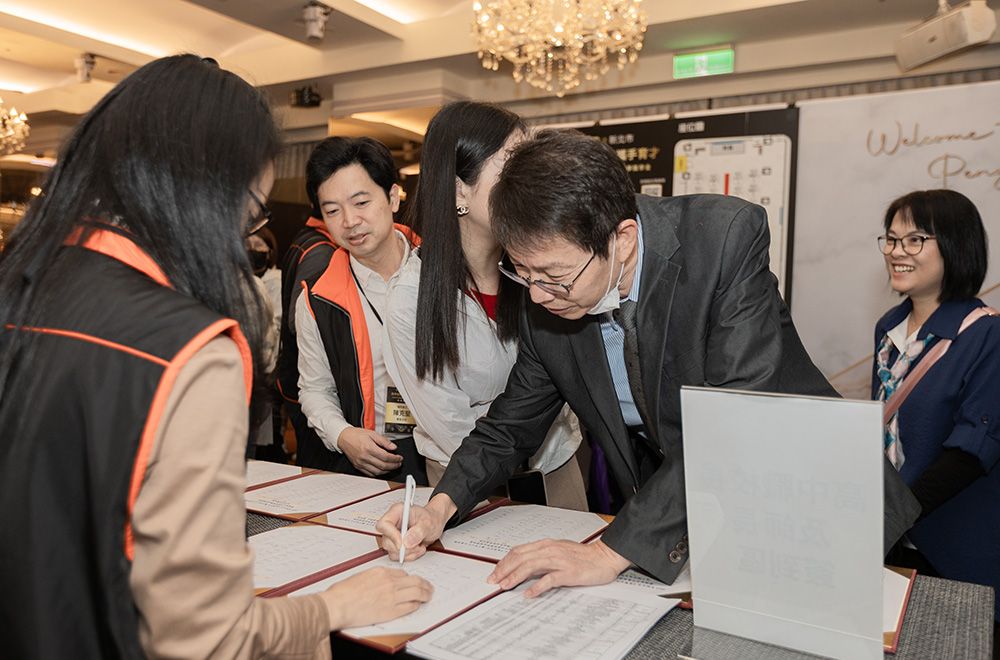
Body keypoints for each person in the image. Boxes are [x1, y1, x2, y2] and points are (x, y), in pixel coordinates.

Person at [0, 55, 431, 659]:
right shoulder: (190, 347)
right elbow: (202, 633)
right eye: (250, 211)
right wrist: (332, 609)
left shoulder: (24, 286)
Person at [378, 129, 920, 596]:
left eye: (554, 276)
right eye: (523, 273)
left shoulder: (722, 241)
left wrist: (606, 553)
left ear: (623, 239)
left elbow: (735, 419)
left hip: (802, 495)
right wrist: (439, 506)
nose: (538, 295)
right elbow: (510, 424)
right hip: (685, 510)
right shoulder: (549, 293)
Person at [382, 101, 586, 509]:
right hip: (467, 484)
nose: (529, 182)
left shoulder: (538, 266)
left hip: (557, 464)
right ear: (460, 189)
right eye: (512, 166)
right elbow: (449, 421)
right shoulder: (411, 297)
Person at [873, 190, 999, 623]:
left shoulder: (986, 334)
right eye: (891, 239)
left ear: (955, 245)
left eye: (915, 240)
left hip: (952, 550)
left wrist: (892, 515)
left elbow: (969, 453)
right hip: (893, 542)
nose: (897, 252)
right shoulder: (888, 328)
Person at [295, 136, 427, 483]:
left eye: (361, 202)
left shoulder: (442, 271)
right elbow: (314, 388)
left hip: (452, 451)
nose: (350, 221)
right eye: (332, 211)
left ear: (393, 197)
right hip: (374, 458)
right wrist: (343, 435)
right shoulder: (318, 298)